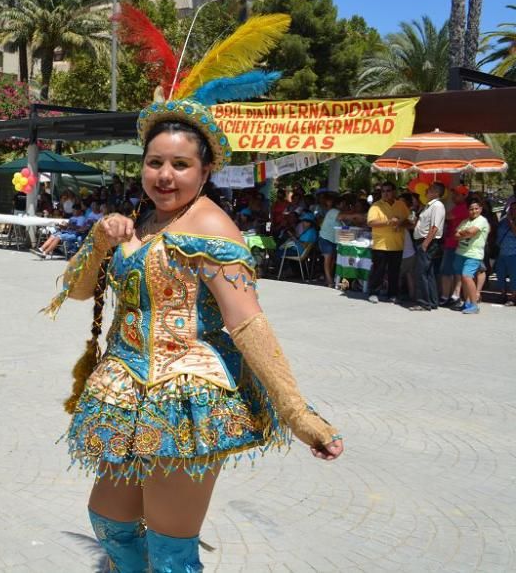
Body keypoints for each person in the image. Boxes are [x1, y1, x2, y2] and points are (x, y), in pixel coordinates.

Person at [45, 94, 342, 571]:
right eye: (155, 162)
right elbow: (77, 291)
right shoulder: (142, 220)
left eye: (181, 164)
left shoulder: (210, 225)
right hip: (124, 394)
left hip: (185, 404)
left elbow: (247, 321)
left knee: (170, 552)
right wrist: (100, 240)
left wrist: (298, 414)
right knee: (109, 523)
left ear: (205, 173)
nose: (165, 175)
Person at [366, 182, 410, 304]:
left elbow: (408, 221)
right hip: (381, 245)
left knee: (394, 271)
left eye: (388, 190)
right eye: (383, 191)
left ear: (394, 192)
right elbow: (370, 223)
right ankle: (374, 293)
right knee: (378, 270)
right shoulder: (376, 206)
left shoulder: (401, 205)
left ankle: (393, 294)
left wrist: (401, 223)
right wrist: (389, 222)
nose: (385, 193)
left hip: (397, 244)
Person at [409, 182, 446, 312]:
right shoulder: (429, 206)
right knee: (428, 272)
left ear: (436, 192)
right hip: (424, 240)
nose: (426, 191)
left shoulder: (437, 206)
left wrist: (425, 243)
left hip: (427, 242)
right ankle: (432, 300)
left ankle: (423, 302)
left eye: (429, 189)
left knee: (421, 272)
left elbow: (435, 227)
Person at [453, 197, 490, 314]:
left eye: (476, 209)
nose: (474, 211)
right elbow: (455, 235)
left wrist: (463, 233)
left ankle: (474, 305)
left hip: (473, 254)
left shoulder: (482, 220)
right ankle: (467, 303)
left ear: (481, 209)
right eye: (471, 209)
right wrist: (465, 233)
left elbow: (471, 232)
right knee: (464, 280)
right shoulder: (465, 221)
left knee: (467, 277)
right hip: (460, 253)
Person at [439, 186, 469, 307]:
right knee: (455, 271)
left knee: (447, 271)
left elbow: (446, 216)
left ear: (464, 196)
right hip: (454, 243)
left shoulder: (462, 208)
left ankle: (447, 296)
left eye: (457, 194)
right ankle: (453, 296)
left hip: (454, 244)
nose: (453, 196)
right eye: (454, 194)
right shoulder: (458, 207)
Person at [318, 192, 340, 288]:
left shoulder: (335, 210)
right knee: (328, 259)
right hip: (325, 237)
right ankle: (329, 280)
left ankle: (328, 278)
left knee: (332, 259)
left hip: (333, 238)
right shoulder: (331, 211)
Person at [495, 203, 516, 306]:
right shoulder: (503, 221)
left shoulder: (510, 221)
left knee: (514, 276)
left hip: (514, 253)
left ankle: (513, 297)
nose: (513, 211)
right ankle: (502, 294)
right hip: (502, 252)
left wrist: (511, 221)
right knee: (500, 274)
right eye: (511, 209)